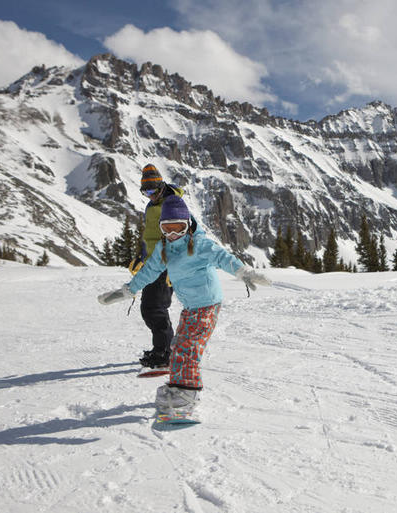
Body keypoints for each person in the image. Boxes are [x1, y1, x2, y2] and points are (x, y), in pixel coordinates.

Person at [98, 195, 271, 417]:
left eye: (178, 228)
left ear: (188, 226)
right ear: (161, 229)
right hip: (191, 306)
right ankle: (180, 384)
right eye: (167, 228)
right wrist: (128, 290)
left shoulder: (199, 244)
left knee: (187, 348)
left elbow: (222, 257)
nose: (172, 234)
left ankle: (187, 393)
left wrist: (243, 272)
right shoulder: (164, 249)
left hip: (207, 303)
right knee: (178, 344)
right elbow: (149, 271)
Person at [132, 164, 184, 369]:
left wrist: (176, 265)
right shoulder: (153, 205)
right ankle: (163, 349)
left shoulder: (172, 202)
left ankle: (166, 354)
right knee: (152, 307)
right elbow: (152, 235)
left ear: (161, 185)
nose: (150, 195)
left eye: (153, 190)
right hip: (154, 263)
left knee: (154, 308)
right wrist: (142, 256)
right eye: (145, 192)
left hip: (166, 264)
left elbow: (181, 233)